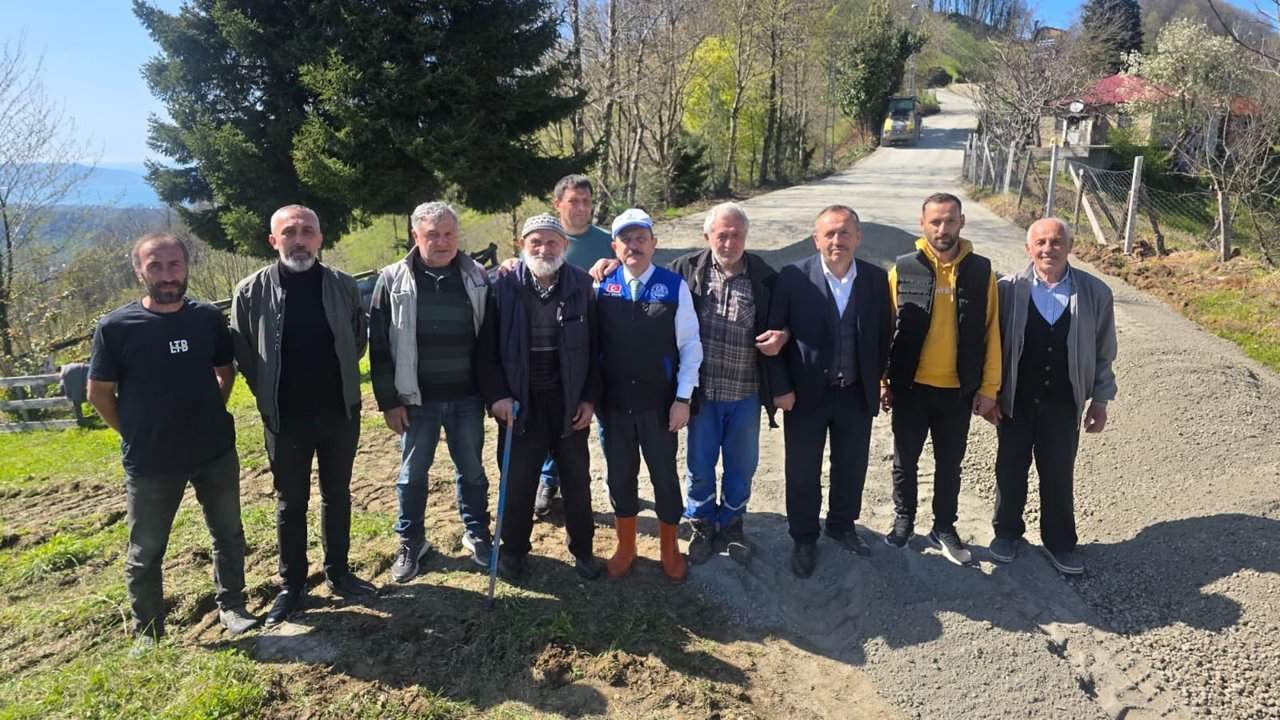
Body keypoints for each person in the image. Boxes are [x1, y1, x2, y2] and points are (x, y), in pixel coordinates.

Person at [86, 233, 257, 649]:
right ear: (139, 271)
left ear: (186, 266)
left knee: (228, 534)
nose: (167, 275)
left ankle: (233, 605)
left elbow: (225, 372)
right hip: (151, 462)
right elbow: (98, 393)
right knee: (146, 550)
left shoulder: (207, 318)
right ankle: (148, 631)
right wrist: (134, 431)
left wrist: (211, 412)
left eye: (174, 264)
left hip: (214, 451)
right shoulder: (116, 327)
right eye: (155, 266)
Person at [231, 205, 377, 627]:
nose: (299, 240)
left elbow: (357, 338)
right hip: (285, 418)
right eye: (289, 232)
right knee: (290, 502)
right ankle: (291, 585)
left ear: (320, 238)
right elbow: (244, 351)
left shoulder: (343, 285)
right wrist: (268, 394)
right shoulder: (250, 291)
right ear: (273, 241)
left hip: (338, 412)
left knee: (337, 494)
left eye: (307, 231)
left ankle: (339, 573)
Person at [369, 201, 493, 583]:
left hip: (467, 398)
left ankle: (477, 532)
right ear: (415, 236)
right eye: (433, 235)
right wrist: (389, 402)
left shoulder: (477, 277)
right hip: (415, 401)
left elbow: (489, 340)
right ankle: (411, 541)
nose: (442, 242)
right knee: (411, 475)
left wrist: (491, 392)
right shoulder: (392, 279)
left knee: (472, 470)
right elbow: (379, 347)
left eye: (449, 233)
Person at [475, 214, 604, 580]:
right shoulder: (502, 286)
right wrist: (498, 397)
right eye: (536, 242)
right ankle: (514, 550)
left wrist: (589, 399)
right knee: (517, 482)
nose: (544, 249)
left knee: (576, 480)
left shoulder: (582, 284)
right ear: (522, 245)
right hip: (520, 402)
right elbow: (486, 351)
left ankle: (583, 548)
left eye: (551, 242)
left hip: (568, 401)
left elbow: (597, 349)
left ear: (564, 245)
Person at [767, 205, 892, 579]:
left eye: (844, 233)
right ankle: (804, 537)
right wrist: (781, 388)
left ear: (858, 237)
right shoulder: (793, 277)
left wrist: (880, 381)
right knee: (802, 470)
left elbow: (883, 336)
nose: (837, 240)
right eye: (830, 234)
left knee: (851, 465)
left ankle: (841, 524)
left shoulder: (875, 278)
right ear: (816, 239)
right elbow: (773, 336)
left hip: (854, 392)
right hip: (805, 395)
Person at [988, 217, 1116, 575]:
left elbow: (1104, 352)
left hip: (1063, 404)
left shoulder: (1095, 293)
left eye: (1057, 241)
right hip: (1015, 401)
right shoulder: (1007, 290)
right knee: (1009, 469)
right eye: (1041, 242)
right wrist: (990, 393)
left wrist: (1100, 400)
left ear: (1070, 246)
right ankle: (1006, 533)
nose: (1049, 249)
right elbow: (990, 346)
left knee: (1059, 474)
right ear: (1028, 248)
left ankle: (1060, 543)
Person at [882, 193, 1001, 566]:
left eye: (950, 220)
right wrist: (883, 381)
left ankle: (944, 526)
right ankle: (904, 520)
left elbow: (991, 333)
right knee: (905, 461)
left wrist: (988, 388)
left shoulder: (982, 272)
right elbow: (886, 330)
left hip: (957, 391)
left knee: (950, 465)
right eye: (935, 221)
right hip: (910, 387)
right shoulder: (902, 269)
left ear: (961, 222)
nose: (943, 229)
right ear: (923, 225)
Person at [668, 202, 788, 566]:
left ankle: (733, 523)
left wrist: (784, 334)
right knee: (700, 466)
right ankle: (702, 523)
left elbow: (787, 319)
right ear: (707, 236)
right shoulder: (683, 271)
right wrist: (607, 264)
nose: (729, 242)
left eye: (737, 235)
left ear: (746, 237)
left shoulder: (766, 277)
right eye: (722, 235)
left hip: (746, 392)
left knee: (742, 465)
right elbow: (646, 282)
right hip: (703, 394)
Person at [597, 208, 702, 582]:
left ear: (654, 243)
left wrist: (682, 399)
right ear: (615, 247)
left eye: (641, 238)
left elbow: (690, 346)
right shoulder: (601, 286)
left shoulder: (674, 287)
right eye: (626, 239)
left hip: (659, 406)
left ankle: (669, 549)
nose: (634, 245)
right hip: (613, 406)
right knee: (619, 476)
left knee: (665, 478)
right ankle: (626, 547)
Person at [535, 174, 615, 516]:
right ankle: (548, 479)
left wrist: (617, 262)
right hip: (557, 351)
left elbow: (636, 268)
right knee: (558, 416)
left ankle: (617, 480)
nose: (582, 208)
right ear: (558, 204)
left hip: (603, 344)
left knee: (606, 419)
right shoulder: (546, 242)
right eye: (573, 201)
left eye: (586, 201)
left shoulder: (608, 241)